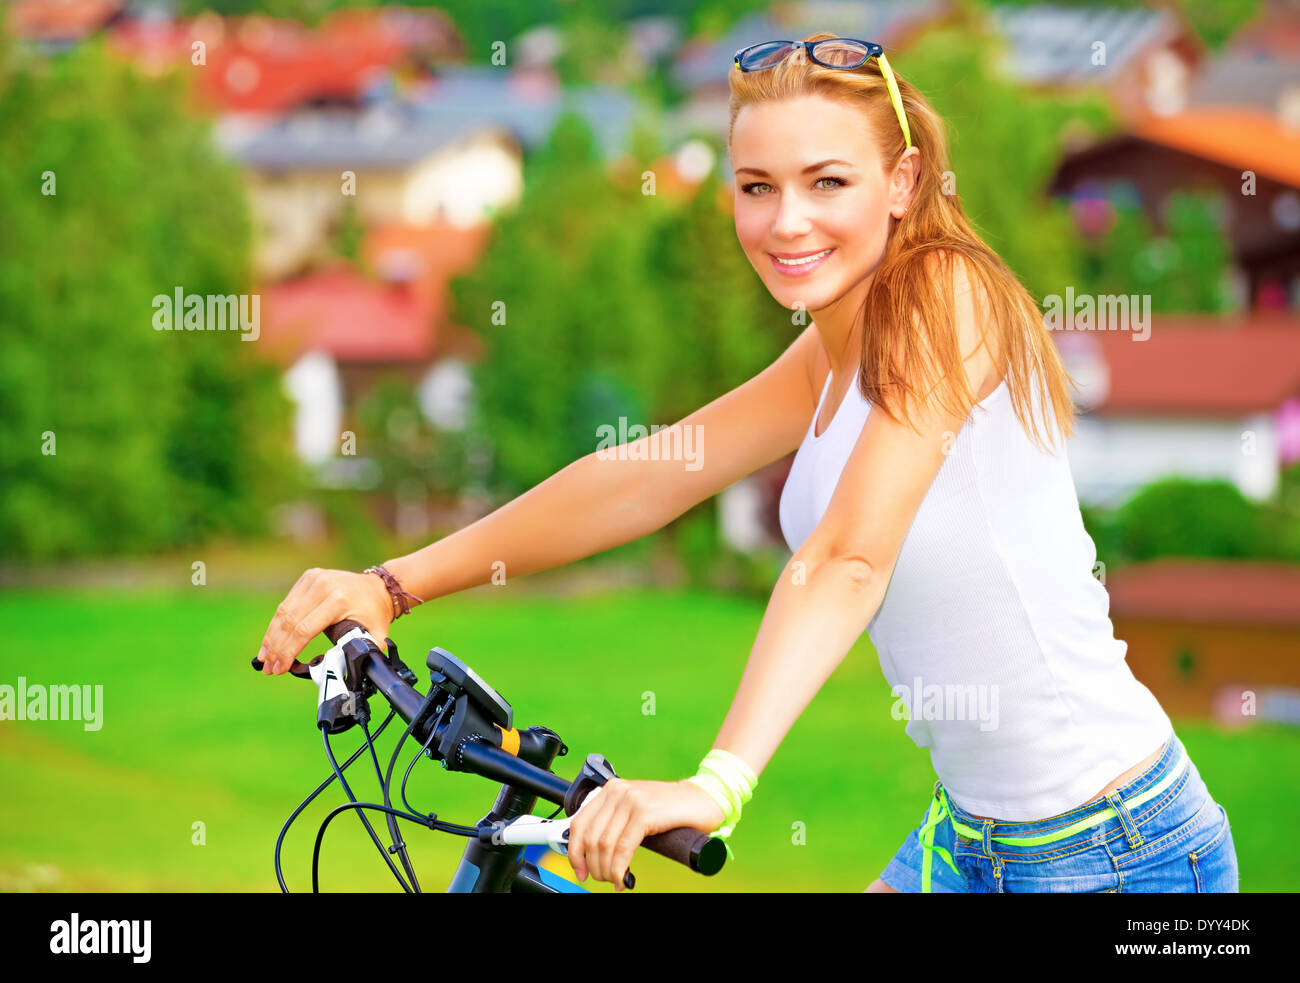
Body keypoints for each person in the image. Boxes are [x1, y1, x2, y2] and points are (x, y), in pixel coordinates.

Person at [255, 33, 1239, 894]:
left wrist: (715, 781)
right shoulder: (829, 347)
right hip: (969, 835)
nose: (785, 222)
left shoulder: (950, 297)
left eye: (827, 182)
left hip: (1115, 848)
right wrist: (392, 584)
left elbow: (850, 554)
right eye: (757, 187)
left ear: (900, 184)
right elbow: (649, 473)